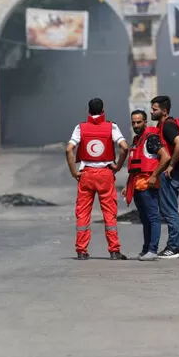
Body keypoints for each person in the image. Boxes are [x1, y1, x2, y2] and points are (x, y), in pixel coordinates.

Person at [65, 98, 129, 260]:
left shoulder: (80, 128)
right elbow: (124, 147)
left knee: (83, 213)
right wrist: (118, 166)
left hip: (86, 174)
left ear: (88, 110)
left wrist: (74, 172)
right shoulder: (111, 127)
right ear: (103, 110)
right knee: (109, 214)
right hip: (105, 174)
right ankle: (114, 251)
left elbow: (69, 149)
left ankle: (81, 251)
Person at [124, 110, 168, 261]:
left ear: (145, 122)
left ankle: (152, 250)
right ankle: (146, 248)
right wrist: (127, 186)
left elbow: (165, 157)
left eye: (139, 122)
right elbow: (135, 167)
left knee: (153, 218)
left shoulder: (151, 139)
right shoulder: (137, 140)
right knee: (145, 219)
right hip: (137, 186)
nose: (136, 125)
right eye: (133, 122)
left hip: (148, 186)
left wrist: (154, 175)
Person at [149, 95, 179, 259]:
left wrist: (170, 165)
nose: (151, 112)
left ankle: (173, 247)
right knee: (171, 210)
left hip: (169, 174)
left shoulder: (168, 126)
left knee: (169, 211)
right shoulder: (165, 125)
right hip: (171, 172)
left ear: (164, 111)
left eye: (155, 109)